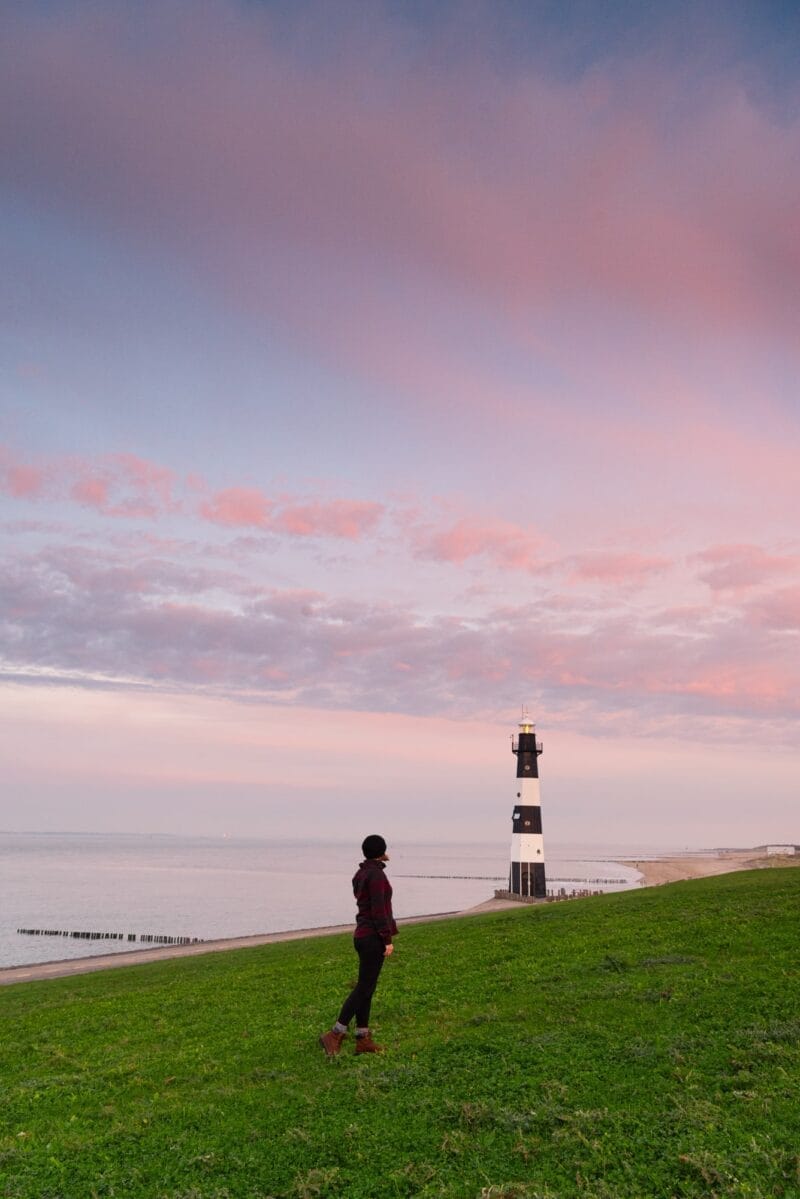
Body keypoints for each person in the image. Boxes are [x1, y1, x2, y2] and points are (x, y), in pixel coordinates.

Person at [319, 834, 397, 1056]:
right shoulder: (376, 875)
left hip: (362, 935)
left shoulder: (361, 873)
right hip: (372, 937)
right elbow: (378, 910)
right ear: (382, 850)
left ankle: (363, 1039)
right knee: (364, 988)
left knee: (367, 988)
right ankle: (335, 1033)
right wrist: (387, 939)